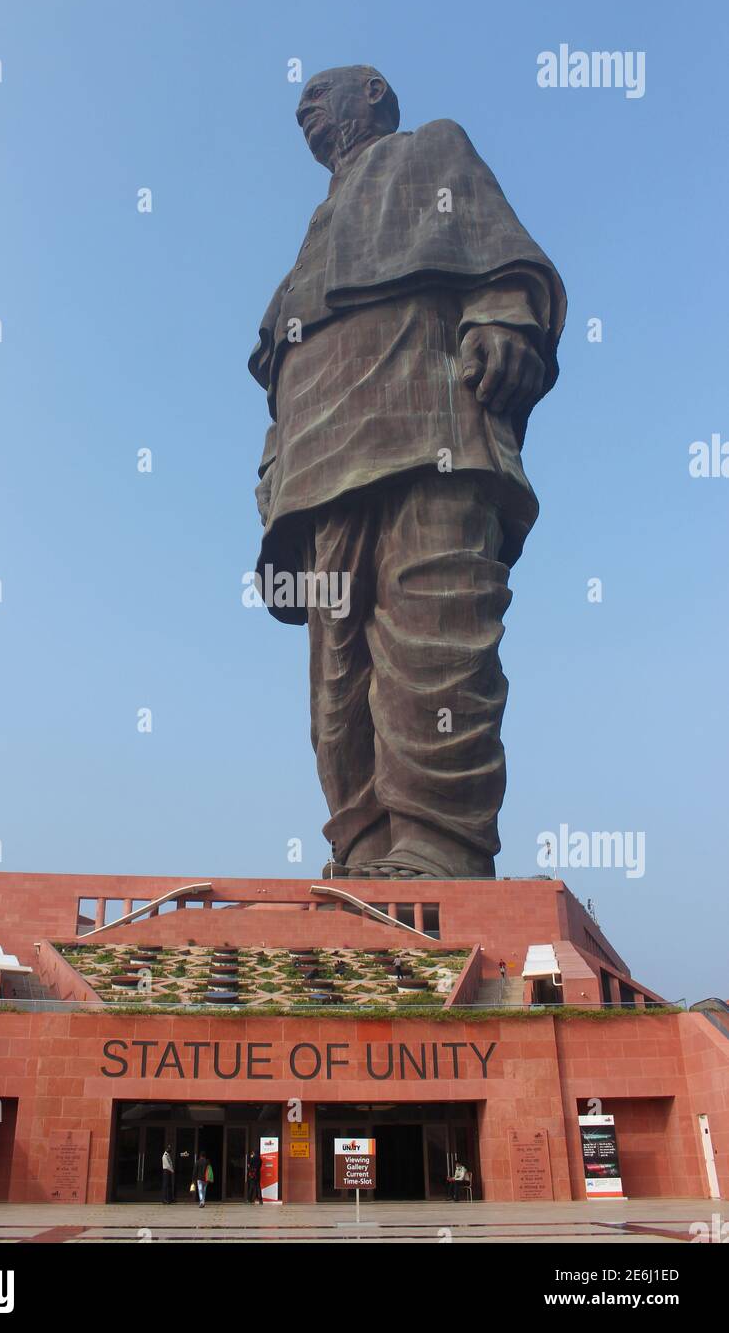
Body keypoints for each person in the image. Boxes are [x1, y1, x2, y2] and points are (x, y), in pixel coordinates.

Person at [249, 66, 565, 881]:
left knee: (434, 629)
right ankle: (361, 850)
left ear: (376, 95)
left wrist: (504, 315)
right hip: (320, 457)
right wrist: (273, 459)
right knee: (336, 674)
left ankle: (437, 844)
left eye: (322, 93)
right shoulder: (306, 240)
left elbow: (502, 258)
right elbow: (281, 366)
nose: (304, 108)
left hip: (429, 425)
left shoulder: (431, 151)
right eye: (299, 102)